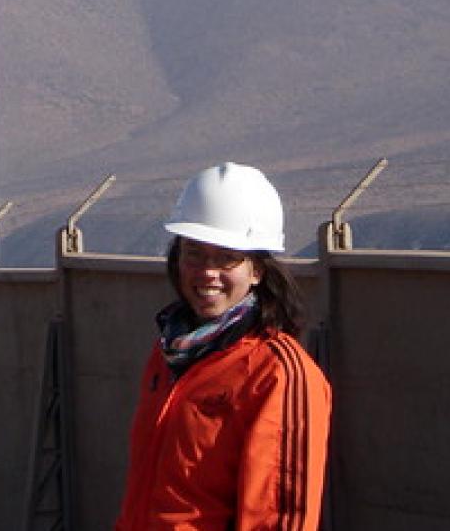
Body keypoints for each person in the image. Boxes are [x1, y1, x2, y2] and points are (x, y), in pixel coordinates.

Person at [115, 162, 331, 530]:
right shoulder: (170, 355)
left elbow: (278, 518)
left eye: (227, 257)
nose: (207, 272)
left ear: (257, 270)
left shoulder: (277, 372)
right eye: (194, 253)